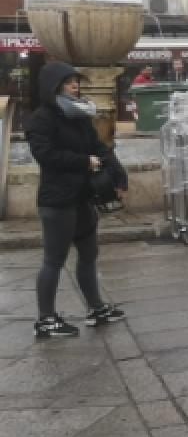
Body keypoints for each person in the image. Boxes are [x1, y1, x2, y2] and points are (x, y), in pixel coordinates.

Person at [25, 62, 127, 339]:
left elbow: (99, 147)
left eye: (76, 82)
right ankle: (46, 319)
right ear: (54, 86)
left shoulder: (79, 116)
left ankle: (96, 309)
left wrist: (119, 176)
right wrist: (84, 162)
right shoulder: (42, 119)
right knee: (54, 260)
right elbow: (45, 155)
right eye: (69, 82)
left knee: (89, 254)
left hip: (82, 197)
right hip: (57, 200)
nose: (76, 86)